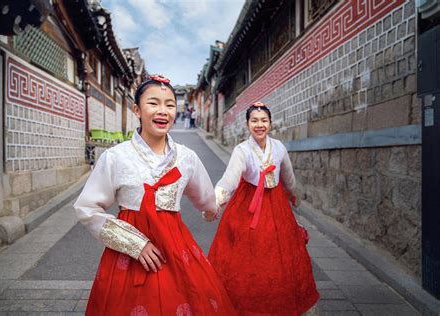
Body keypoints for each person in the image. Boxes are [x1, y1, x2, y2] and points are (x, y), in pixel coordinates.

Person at [74, 75, 237, 315]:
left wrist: (212, 209)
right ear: (137, 110)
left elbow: (205, 199)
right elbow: (87, 208)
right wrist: (134, 244)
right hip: (129, 256)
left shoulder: (186, 157)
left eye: (170, 104)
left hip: (176, 249)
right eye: (154, 103)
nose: (163, 111)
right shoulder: (116, 157)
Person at [208, 101, 319, 316]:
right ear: (248, 124)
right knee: (247, 255)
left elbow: (288, 176)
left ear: (270, 123)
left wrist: (293, 195)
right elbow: (229, 179)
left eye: (264, 120)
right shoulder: (242, 150)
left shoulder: (278, 147)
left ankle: (283, 300)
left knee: (282, 253)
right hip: (248, 205)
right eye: (254, 121)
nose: (260, 125)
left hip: (276, 204)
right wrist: (216, 201)